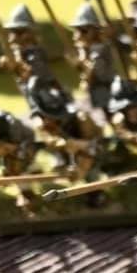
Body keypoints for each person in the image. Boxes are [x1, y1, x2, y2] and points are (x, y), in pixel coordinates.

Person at [27, 76, 107, 206]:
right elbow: (50, 142)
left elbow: (97, 144)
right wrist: (60, 144)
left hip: (90, 153)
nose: (47, 120)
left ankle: (95, 190)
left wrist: (79, 147)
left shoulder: (81, 119)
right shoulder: (43, 123)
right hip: (66, 157)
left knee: (90, 169)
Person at [69, 3, 116, 115]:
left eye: (84, 31)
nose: (80, 35)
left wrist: (83, 58)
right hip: (96, 94)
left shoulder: (99, 49)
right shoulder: (88, 49)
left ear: (94, 30)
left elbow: (93, 74)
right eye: (78, 30)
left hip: (107, 92)